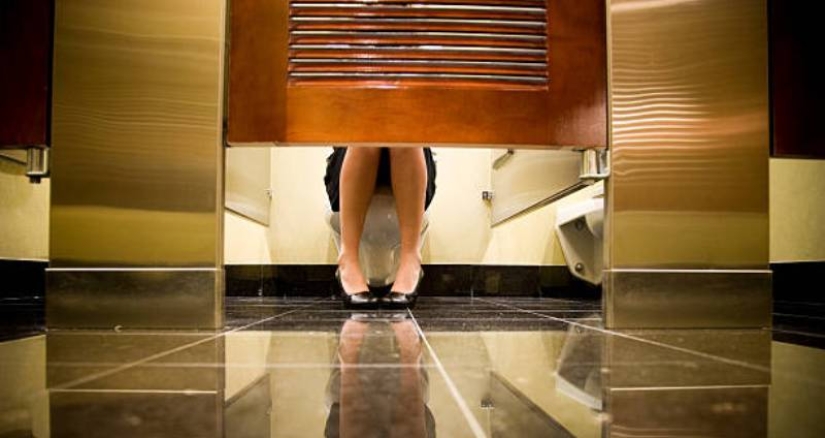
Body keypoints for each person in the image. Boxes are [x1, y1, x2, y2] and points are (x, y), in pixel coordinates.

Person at [325, 147, 436, 308]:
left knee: (405, 133)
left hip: (413, 159)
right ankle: (347, 260)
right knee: (368, 134)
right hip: (351, 157)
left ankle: (411, 260)